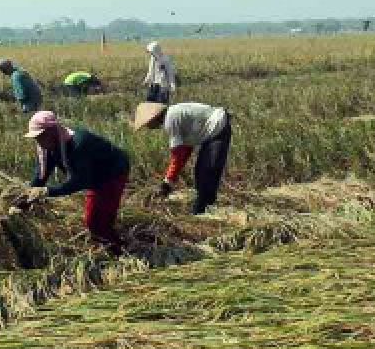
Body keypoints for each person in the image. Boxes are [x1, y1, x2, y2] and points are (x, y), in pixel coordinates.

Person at [15, 110, 130, 254]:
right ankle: (108, 242)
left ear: (52, 132)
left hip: (111, 174)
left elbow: (80, 181)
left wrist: (47, 191)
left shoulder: (79, 144)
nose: (38, 141)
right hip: (92, 176)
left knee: (95, 221)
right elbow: (41, 175)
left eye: (40, 137)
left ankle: (120, 252)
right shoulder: (48, 146)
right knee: (95, 219)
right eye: (36, 138)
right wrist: (25, 199)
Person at [133, 100, 231, 215]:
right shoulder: (173, 113)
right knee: (200, 172)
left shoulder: (170, 119)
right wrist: (169, 181)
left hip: (218, 127)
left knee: (208, 171)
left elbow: (179, 156)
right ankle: (204, 207)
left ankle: (202, 211)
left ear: (153, 118)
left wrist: (167, 183)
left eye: (147, 124)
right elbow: (185, 150)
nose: (148, 127)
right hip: (214, 129)